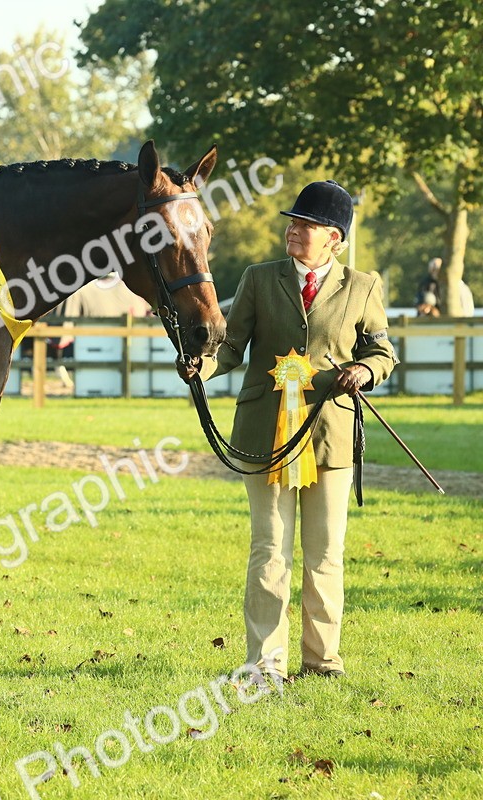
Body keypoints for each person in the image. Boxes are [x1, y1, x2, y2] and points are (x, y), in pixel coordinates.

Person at [180, 181, 396, 682]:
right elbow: (230, 348)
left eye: (307, 225)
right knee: (269, 549)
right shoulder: (258, 279)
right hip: (265, 432)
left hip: (331, 435)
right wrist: (203, 368)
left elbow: (382, 353)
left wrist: (363, 372)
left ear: (334, 239)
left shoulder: (364, 287)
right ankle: (264, 662)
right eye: (292, 222)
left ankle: (322, 661)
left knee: (325, 555)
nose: (294, 231)